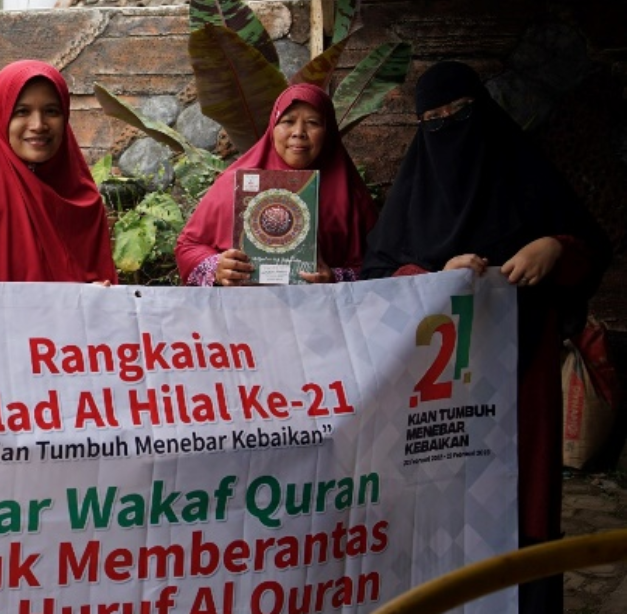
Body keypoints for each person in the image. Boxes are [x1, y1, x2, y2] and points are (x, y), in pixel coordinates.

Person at [360, 61, 610, 614]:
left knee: (523, 499)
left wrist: (554, 248)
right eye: (434, 119)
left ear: (486, 111)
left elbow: (589, 247)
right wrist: (435, 279)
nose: (448, 126)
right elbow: (378, 276)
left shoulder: (525, 173)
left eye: (461, 112)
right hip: (439, 392)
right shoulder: (414, 196)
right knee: (442, 505)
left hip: (524, 371)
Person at [176, 83, 378, 286]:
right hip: (244, 304)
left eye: (313, 123)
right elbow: (188, 247)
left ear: (328, 131)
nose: (299, 132)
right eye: (288, 121)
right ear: (273, 127)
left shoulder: (350, 195)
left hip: (320, 305)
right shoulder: (234, 185)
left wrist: (335, 278)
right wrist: (218, 268)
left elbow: (379, 268)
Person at [0, 60, 116, 283]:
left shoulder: (82, 201)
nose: (38, 125)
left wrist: (98, 294)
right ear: (1, 116)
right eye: (22, 112)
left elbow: (96, 286)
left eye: (51, 111)